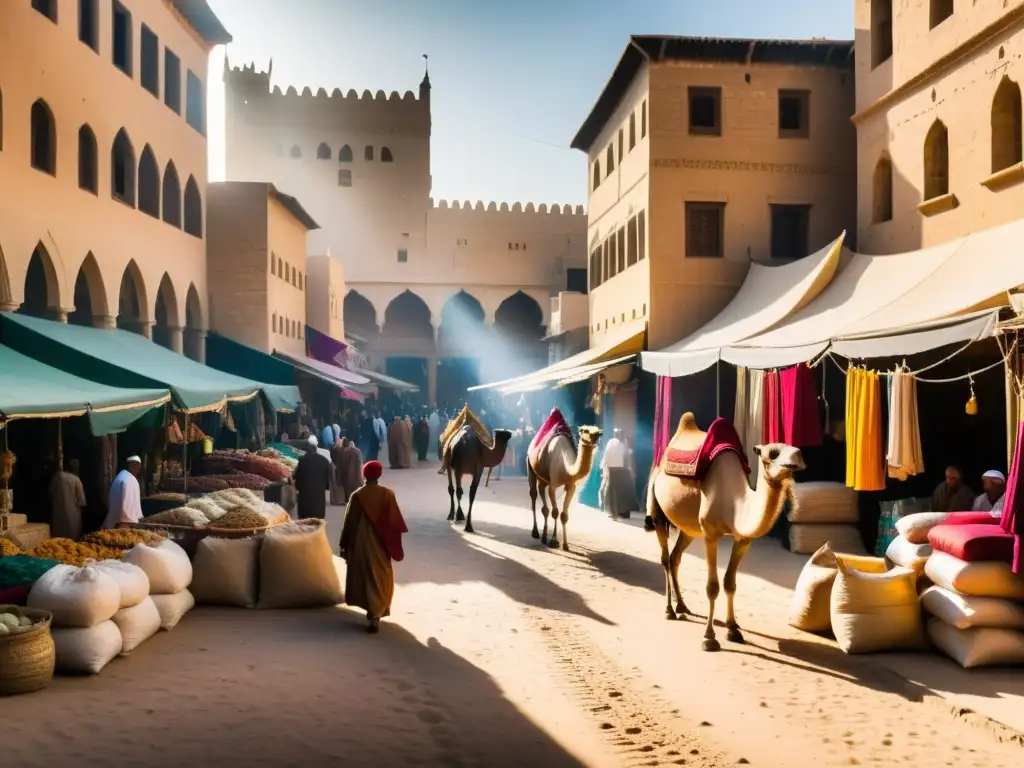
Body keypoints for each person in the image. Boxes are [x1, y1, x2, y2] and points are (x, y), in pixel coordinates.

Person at [339, 460, 408, 633]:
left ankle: (372, 613)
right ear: (379, 475)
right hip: (381, 542)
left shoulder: (357, 495)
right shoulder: (387, 495)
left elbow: (350, 523)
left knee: (365, 576)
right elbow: (396, 523)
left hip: (362, 542)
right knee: (379, 575)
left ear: (364, 475)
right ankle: (376, 612)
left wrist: (345, 545)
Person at [599, 428, 639, 519]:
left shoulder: (613, 443)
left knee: (613, 491)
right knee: (622, 492)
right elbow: (627, 458)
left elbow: (606, 457)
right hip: (619, 470)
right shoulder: (621, 443)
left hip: (613, 470)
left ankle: (615, 512)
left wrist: (604, 468)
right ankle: (622, 513)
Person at [294, 436, 332, 519]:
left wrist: (298, 487)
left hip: (304, 502)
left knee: (305, 524)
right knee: (317, 523)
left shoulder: (302, 460)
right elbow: (329, 478)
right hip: (319, 503)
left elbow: (297, 477)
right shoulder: (324, 460)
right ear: (316, 447)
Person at [102, 456, 143, 530]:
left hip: (113, 523)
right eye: (138, 467)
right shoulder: (129, 480)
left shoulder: (120, 476)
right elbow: (127, 512)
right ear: (132, 465)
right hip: (124, 526)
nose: (138, 470)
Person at [50, 458, 87, 540]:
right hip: (73, 517)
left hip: (57, 516)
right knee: (71, 542)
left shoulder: (56, 477)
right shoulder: (76, 480)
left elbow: (50, 494)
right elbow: (82, 502)